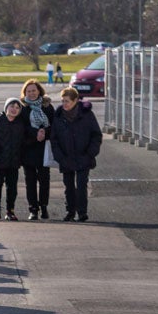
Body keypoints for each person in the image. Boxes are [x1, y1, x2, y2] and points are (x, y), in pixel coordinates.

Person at [50, 87, 103, 222]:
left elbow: (96, 135)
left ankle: (82, 212)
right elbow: (54, 139)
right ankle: (70, 212)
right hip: (66, 157)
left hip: (83, 156)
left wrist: (91, 153)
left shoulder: (86, 114)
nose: (64, 104)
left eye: (67, 101)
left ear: (75, 101)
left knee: (81, 185)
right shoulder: (58, 116)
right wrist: (59, 157)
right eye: (63, 101)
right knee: (68, 186)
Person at [0, 97, 27, 221]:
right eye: (12, 106)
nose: (14, 109)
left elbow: (24, 142)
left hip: (13, 161)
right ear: (6, 107)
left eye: (17, 107)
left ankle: (10, 211)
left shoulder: (20, 124)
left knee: (12, 187)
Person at [18, 80, 54, 220]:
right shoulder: (23, 108)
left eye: (34, 90)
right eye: (29, 91)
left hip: (44, 148)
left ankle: (44, 207)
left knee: (44, 180)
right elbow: (22, 127)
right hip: (28, 148)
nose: (32, 93)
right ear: (25, 93)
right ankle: (33, 209)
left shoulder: (47, 107)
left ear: (39, 91)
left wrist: (44, 132)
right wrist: (35, 133)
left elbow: (54, 124)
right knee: (30, 181)